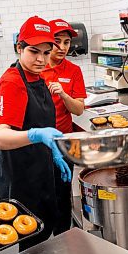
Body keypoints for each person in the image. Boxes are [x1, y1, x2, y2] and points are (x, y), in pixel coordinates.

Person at [0, 16, 72, 248]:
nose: (40, 59)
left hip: (39, 168)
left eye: (46, 53)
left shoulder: (36, 78)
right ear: (19, 48)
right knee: (28, 243)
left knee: (44, 233)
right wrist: (36, 135)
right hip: (20, 177)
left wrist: (53, 152)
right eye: (34, 51)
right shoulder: (12, 83)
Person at [41, 19, 87, 235]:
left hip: (65, 141)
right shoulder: (37, 68)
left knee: (62, 191)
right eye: (57, 41)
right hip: (39, 142)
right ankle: (41, 237)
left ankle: (64, 236)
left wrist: (64, 94)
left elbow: (78, 109)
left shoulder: (74, 70)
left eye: (67, 42)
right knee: (42, 192)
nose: (62, 47)